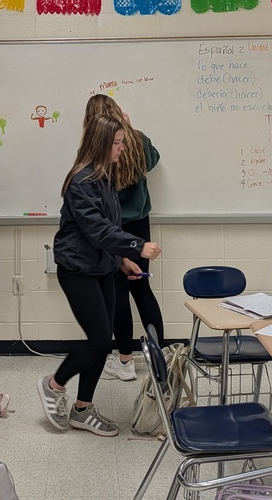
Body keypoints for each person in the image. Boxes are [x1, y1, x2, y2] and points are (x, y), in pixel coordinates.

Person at [38, 113, 161, 437]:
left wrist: (122, 260)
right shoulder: (82, 181)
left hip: (104, 266)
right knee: (97, 340)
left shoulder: (107, 177)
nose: (122, 149)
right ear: (102, 144)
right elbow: (97, 230)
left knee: (102, 341)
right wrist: (137, 246)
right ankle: (53, 385)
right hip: (77, 269)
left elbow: (108, 230)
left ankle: (82, 410)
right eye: (118, 143)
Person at [83, 94, 162, 382]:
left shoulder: (96, 150)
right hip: (140, 226)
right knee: (143, 291)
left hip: (113, 229)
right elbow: (153, 161)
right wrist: (131, 129)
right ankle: (157, 360)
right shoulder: (137, 140)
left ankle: (126, 361)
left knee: (117, 297)